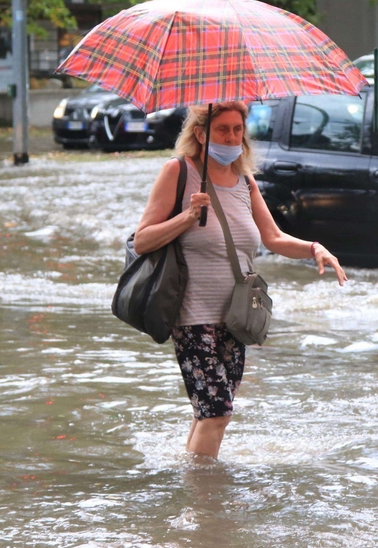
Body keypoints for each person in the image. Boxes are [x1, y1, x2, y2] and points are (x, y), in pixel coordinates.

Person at [133, 102, 347, 460]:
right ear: (201, 135)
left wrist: (314, 248)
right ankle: (207, 503)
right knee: (217, 412)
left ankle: (192, 487)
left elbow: (273, 237)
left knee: (212, 414)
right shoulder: (178, 172)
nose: (232, 136)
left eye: (237, 129)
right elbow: (142, 240)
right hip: (191, 317)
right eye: (222, 129)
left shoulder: (244, 181)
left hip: (236, 318)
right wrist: (187, 217)